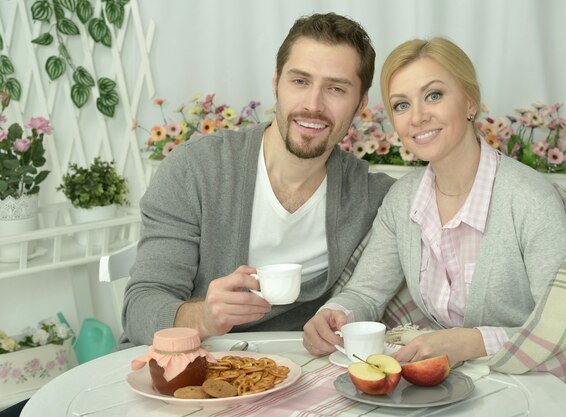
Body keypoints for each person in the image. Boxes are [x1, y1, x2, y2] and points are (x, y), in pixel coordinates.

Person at [302, 37, 566, 416]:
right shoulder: (403, 201)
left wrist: (467, 342)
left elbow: (564, 332)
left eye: (434, 95)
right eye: (402, 105)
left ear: (470, 102)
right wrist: (336, 313)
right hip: (453, 391)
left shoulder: (530, 200)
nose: (417, 116)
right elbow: (367, 293)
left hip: (540, 389)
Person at [121, 12, 395, 346]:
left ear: (360, 103)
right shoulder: (195, 171)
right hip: (188, 367)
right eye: (300, 81)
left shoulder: (371, 196)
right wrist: (204, 316)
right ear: (276, 82)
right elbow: (140, 307)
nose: (313, 104)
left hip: (293, 376)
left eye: (336, 89)